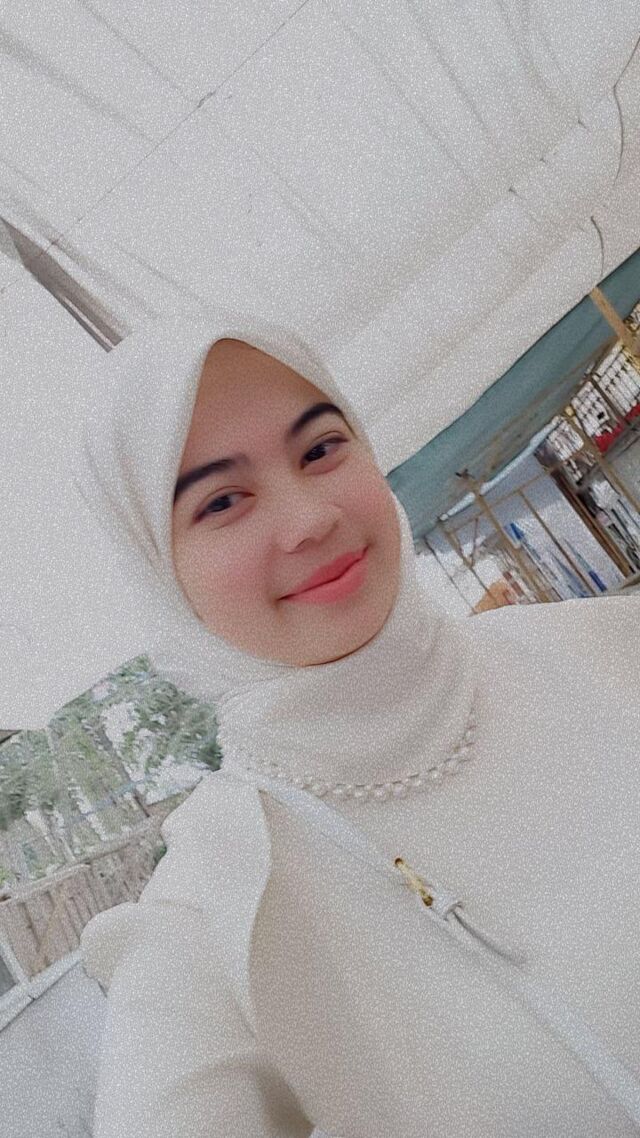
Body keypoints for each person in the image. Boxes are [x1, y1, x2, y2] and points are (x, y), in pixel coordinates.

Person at [77, 311, 640, 1137]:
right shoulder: (207, 915)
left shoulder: (609, 647)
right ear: (161, 572)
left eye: (320, 449)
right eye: (222, 501)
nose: (309, 519)